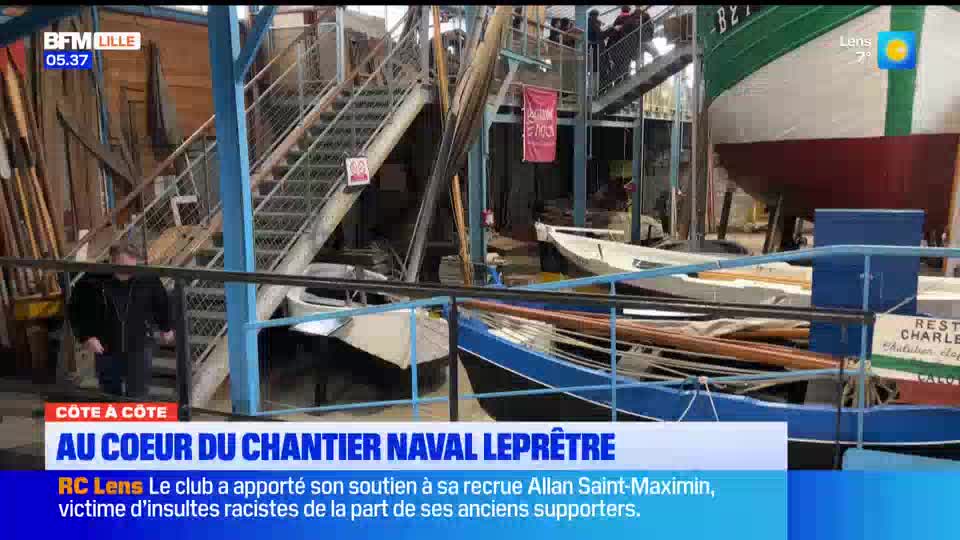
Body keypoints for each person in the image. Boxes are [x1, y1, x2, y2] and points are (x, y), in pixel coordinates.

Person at [68, 242, 174, 398]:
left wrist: (166, 327)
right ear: (111, 261)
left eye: (131, 268)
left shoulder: (147, 278)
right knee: (109, 393)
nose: (128, 273)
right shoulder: (92, 280)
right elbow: (76, 309)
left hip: (139, 345)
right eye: (122, 267)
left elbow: (161, 302)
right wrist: (86, 336)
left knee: (138, 393)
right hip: (106, 347)